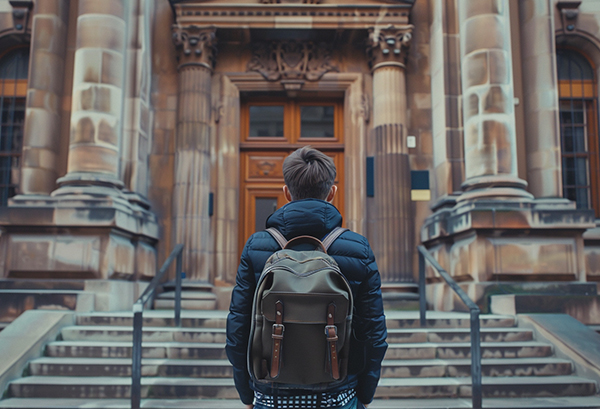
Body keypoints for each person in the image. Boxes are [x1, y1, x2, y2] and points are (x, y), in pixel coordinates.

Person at [226, 146, 388, 409]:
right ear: (332, 193)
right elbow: (373, 334)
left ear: (287, 193)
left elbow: (237, 330)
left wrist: (247, 395)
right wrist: (365, 395)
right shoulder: (358, 248)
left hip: (271, 394)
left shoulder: (257, 246)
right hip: (338, 394)